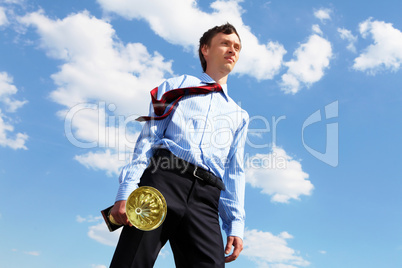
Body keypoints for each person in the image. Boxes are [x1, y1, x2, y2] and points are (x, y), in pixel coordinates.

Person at [109, 23, 249, 268]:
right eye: (225, 43)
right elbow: (149, 139)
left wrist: (235, 224)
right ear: (205, 49)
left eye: (237, 47)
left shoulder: (239, 115)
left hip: (206, 197)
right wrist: (127, 188)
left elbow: (234, 171)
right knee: (132, 262)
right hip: (163, 180)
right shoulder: (176, 87)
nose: (232, 50)